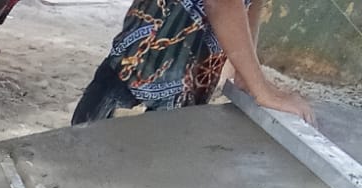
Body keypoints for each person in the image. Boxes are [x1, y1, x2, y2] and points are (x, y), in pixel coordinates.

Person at [72, 0, 313, 126]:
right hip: (154, 43)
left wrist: (248, 75)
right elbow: (222, 3)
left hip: (193, 65)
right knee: (86, 142)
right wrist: (262, 91)